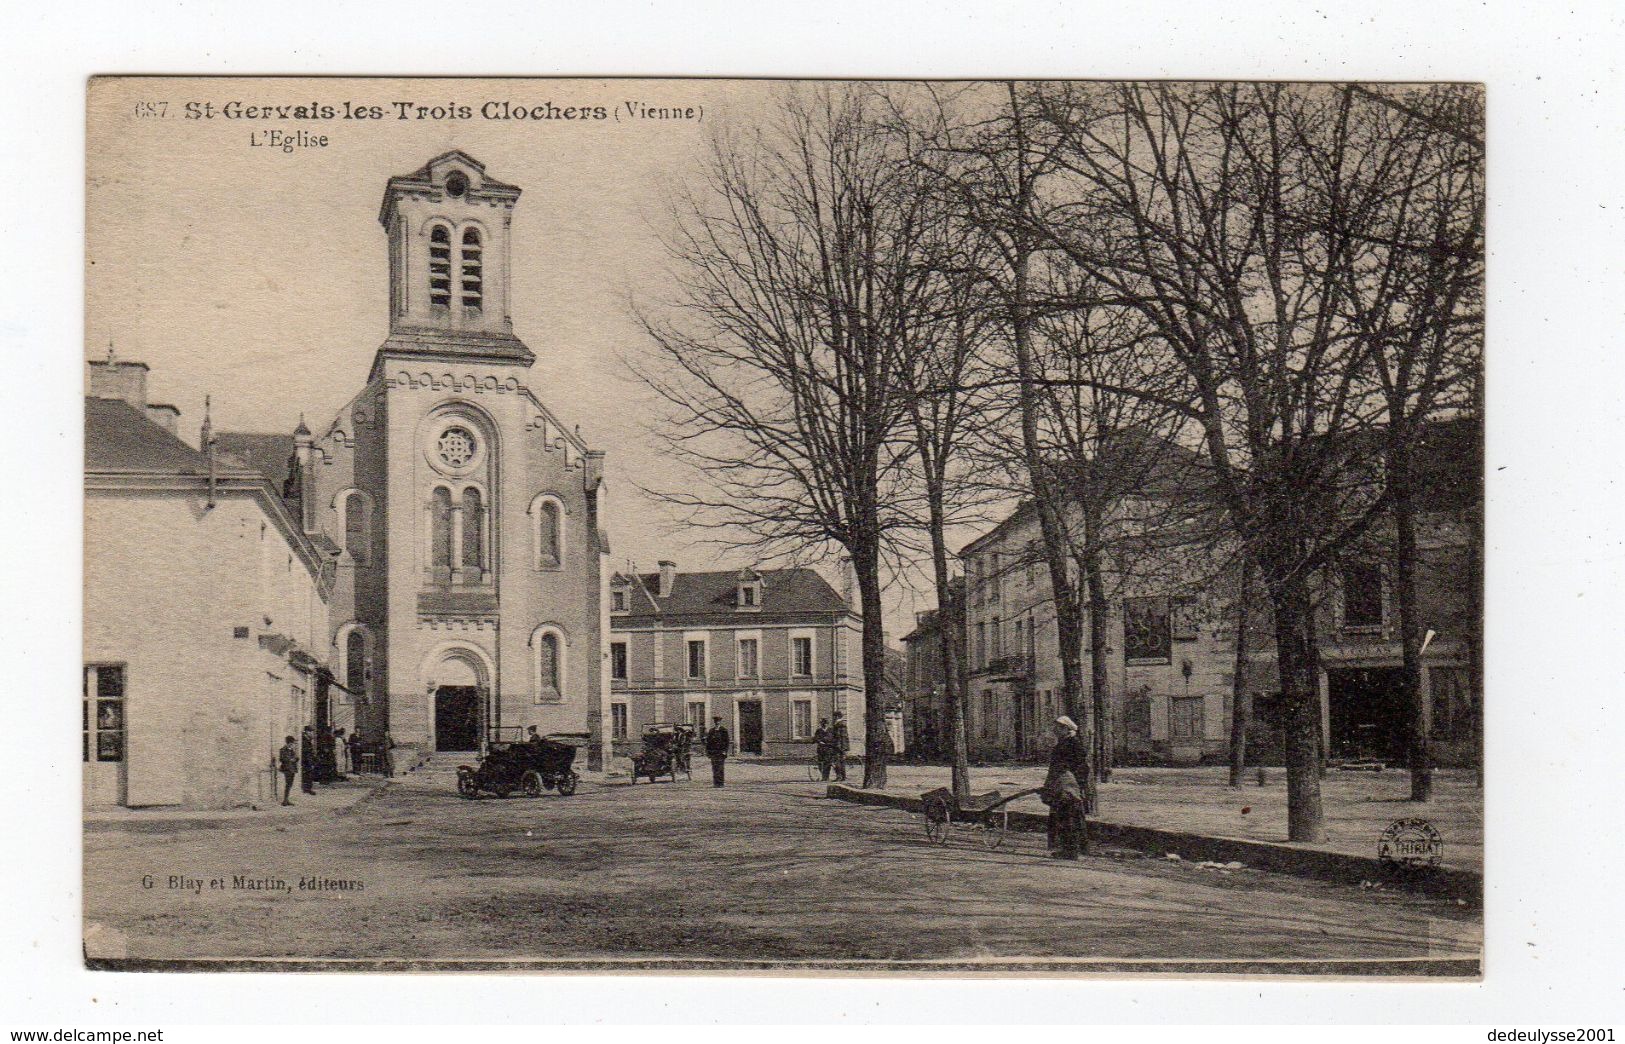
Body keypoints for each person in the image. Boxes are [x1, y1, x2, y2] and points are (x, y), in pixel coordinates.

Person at [1042, 716, 1090, 859]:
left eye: (1058, 727)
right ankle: (1068, 848)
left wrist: (1078, 784)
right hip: (1060, 784)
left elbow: (1081, 766)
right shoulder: (1063, 743)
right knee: (1062, 816)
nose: (1055, 730)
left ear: (1066, 729)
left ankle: (1071, 850)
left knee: (1068, 817)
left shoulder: (1073, 744)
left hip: (1068, 786)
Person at [704, 716, 730, 787]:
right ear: (714, 722)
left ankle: (721, 783)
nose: (717, 723)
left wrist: (725, 751)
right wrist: (708, 752)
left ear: (720, 722)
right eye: (715, 721)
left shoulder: (724, 730)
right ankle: (715, 783)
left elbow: (727, 742)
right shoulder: (711, 731)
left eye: (718, 721)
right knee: (714, 767)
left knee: (720, 767)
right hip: (713, 751)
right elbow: (708, 742)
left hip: (721, 752)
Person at [277, 736, 299, 806]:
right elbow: (282, 759)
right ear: (289, 743)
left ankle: (286, 799)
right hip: (286, 769)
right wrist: (291, 760)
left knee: (290, 784)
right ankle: (285, 800)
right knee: (288, 784)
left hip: (292, 769)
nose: (293, 745)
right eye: (292, 743)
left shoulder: (291, 750)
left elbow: (296, 758)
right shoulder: (283, 750)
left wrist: (295, 759)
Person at [830, 712, 850, 782]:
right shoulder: (842, 724)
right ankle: (843, 777)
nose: (833, 718)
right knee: (842, 762)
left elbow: (839, 737)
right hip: (842, 746)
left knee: (837, 761)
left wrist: (837, 746)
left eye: (834, 716)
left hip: (838, 746)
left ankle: (839, 777)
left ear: (837, 717)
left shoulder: (839, 725)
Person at [300, 726, 317, 794]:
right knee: (307, 774)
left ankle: (308, 788)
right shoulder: (305, 740)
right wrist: (310, 761)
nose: (312, 733)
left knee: (309, 774)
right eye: (311, 732)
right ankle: (307, 789)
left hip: (308, 760)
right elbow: (306, 752)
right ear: (307, 732)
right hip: (306, 760)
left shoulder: (307, 739)